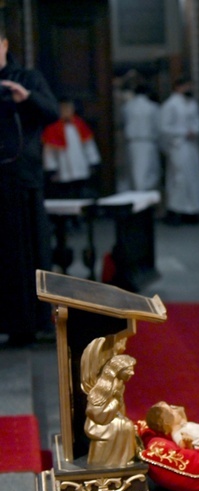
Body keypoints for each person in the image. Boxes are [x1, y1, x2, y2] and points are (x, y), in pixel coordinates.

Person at [0, 27, 59, 347]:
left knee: (25, 253)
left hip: (21, 177)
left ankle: (28, 324)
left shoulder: (27, 77)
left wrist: (26, 98)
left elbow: (51, 112)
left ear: (5, 45)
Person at [159, 76, 199, 225]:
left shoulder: (192, 104)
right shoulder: (170, 105)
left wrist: (195, 130)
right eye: (186, 86)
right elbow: (164, 127)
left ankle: (192, 211)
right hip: (178, 146)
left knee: (194, 178)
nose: (189, 89)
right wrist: (182, 132)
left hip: (192, 147)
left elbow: (198, 122)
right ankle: (176, 210)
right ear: (178, 87)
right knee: (179, 179)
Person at [84, 354, 138, 467]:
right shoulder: (105, 385)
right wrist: (115, 402)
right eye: (128, 370)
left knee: (127, 425)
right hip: (99, 423)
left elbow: (120, 406)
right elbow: (93, 411)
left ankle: (123, 459)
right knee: (125, 425)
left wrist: (118, 402)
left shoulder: (120, 384)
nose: (132, 373)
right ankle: (108, 463)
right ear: (118, 370)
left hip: (111, 418)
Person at [42, 98, 101, 199]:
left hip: (79, 164)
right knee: (65, 192)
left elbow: (88, 145)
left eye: (69, 108)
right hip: (63, 167)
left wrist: (93, 160)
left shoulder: (79, 124)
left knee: (81, 189)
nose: (66, 111)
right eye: (63, 109)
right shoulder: (53, 128)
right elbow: (49, 151)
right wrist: (50, 167)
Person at [122, 83, 162, 191]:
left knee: (135, 172)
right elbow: (158, 126)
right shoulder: (153, 107)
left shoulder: (128, 107)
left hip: (133, 143)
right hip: (148, 142)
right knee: (148, 173)